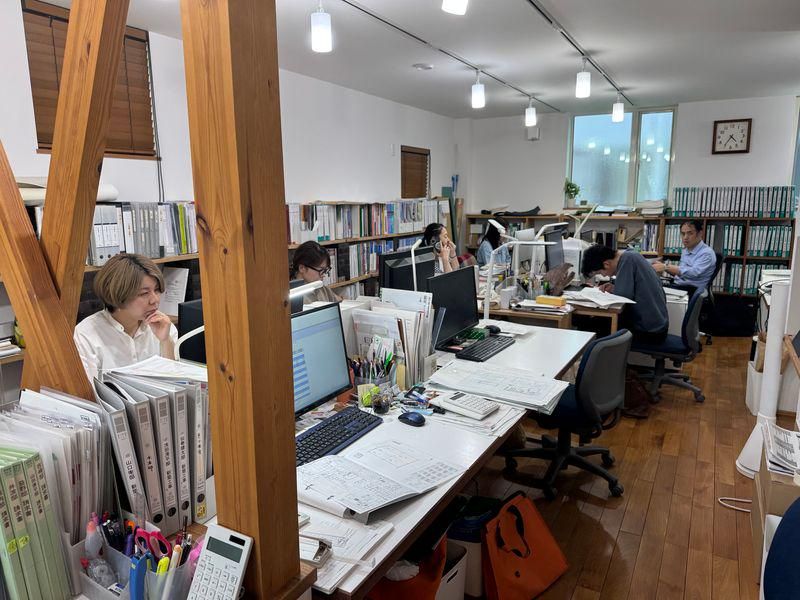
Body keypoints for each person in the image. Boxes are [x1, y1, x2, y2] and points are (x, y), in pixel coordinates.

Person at [74, 253, 178, 382]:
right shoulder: (86, 335)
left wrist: (166, 341)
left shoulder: (163, 326)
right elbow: (88, 391)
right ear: (119, 293)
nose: (155, 300)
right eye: (144, 293)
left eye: (156, 290)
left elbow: (176, 384)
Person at [582, 245, 669, 344]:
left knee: (589, 326)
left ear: (606, 264)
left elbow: (623, 296)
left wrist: (615, 289)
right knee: (595, 322)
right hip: (657, 326)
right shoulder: (630, 255)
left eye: (600, 272)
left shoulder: (627, 260)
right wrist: (614, 288)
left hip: (649, 332)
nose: (604, 275)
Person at [651, 220, 717, 295]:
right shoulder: (686, 250)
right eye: (683, 234)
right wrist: (662, 267)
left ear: (700, 233)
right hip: (679, 286)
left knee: (651, 292)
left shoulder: (707, 253)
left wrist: (665, 267)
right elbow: (682, 274)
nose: (685, 237)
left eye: (690, 233)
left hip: (692, 290)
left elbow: (693, 273)